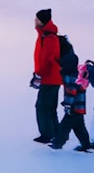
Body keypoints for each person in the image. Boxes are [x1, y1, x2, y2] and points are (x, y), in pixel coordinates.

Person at [50, 35, 92, 151]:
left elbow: (71, 91)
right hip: (79, 106)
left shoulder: (70, 74)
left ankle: (57, 144)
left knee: (64, 126)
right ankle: (86, 145)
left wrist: (68, 105)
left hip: (73, 107)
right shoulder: (76, 71)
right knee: (79, 127)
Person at [31, 9, 60, 144]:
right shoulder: (45, 35)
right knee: (50, 106)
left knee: (42, 106)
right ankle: (56, 131)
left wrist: (39, 74)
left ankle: (47, 134)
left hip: (49, 78)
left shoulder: (49, 37)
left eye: (37, 19)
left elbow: (47, 59)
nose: (34, 21)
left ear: (42, 21)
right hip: (52, 77)